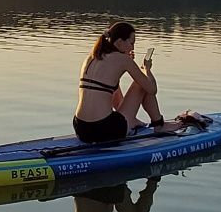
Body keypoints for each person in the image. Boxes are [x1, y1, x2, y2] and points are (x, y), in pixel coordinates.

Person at [72, 21, 202, 144]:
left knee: (106, 90)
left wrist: (123, 68)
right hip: (105, 131)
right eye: (131, 43)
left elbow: (110, 93)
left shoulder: (91, 57)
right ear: (119, 42)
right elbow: (151, 89)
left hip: (81, 129)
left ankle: (131, 121)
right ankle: (159, 125)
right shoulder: (123, 60)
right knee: (142, 84)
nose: (133, 47)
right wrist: (147, 69)